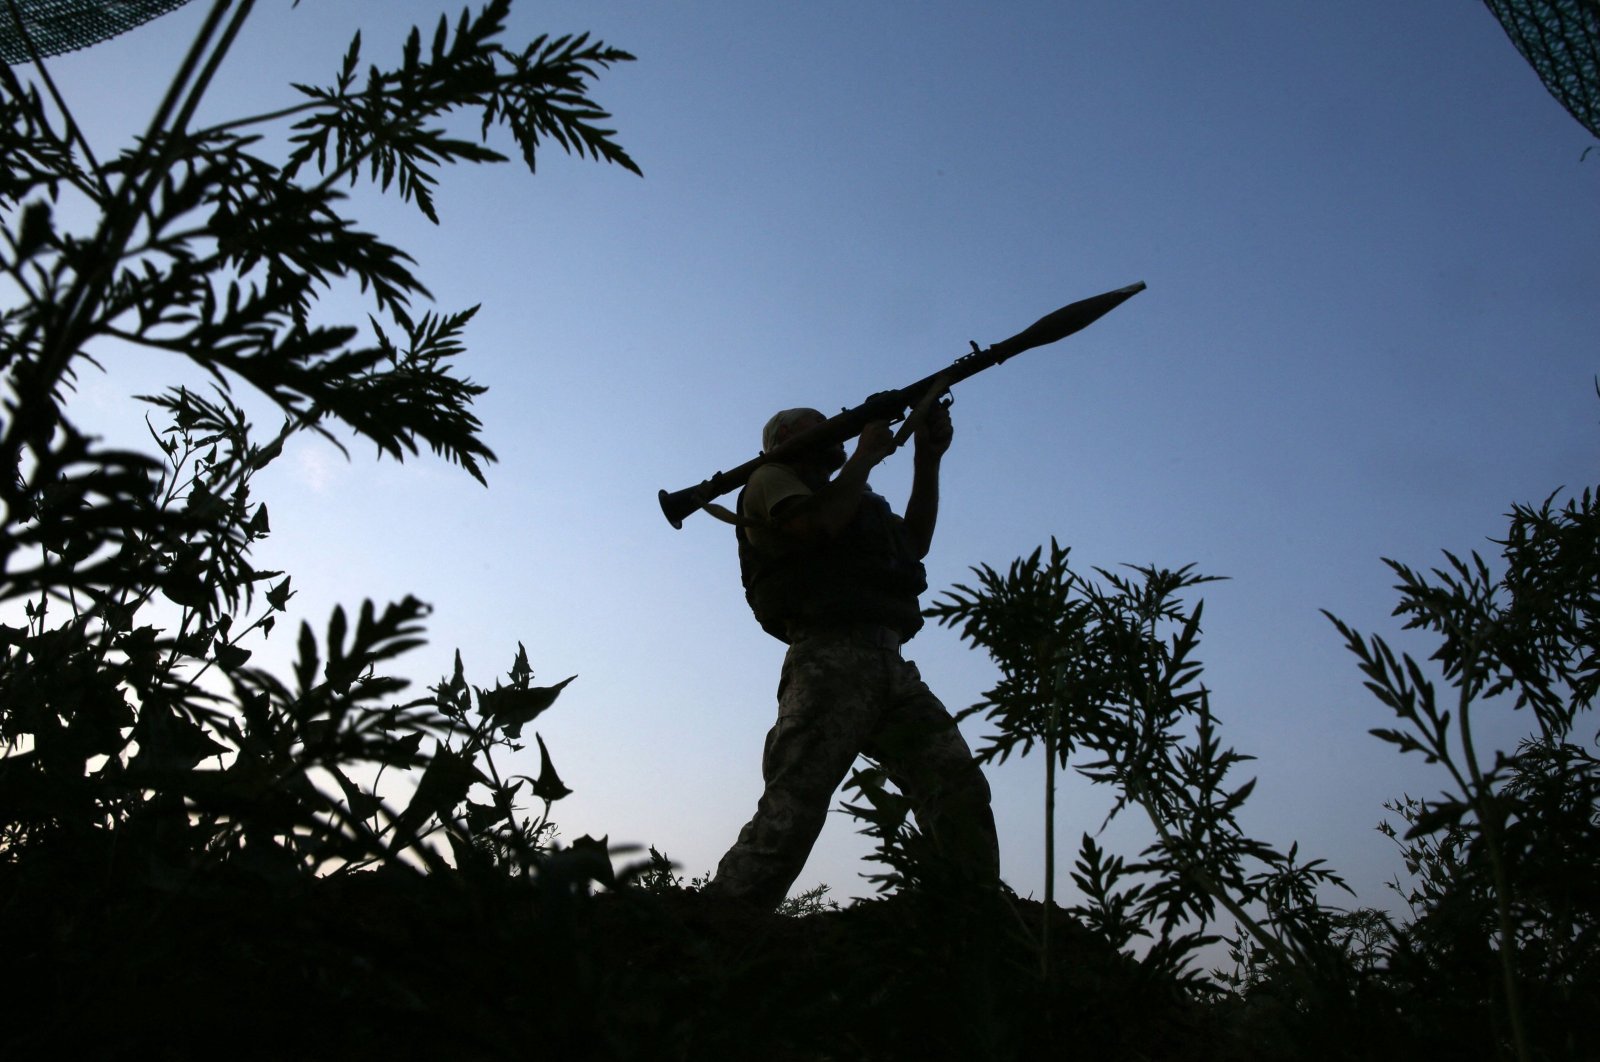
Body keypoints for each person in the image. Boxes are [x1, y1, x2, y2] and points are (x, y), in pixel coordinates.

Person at [708, 400, 1000, 910]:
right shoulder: (771, 479)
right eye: (812, 424)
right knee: (795, 799)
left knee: (955, 787)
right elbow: (812, 529)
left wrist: (926, 461)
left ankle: (969, 912)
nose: (828, 429)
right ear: (780, 441)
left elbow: (912, 544)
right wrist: (863, 456)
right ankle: (722, 918)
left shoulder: (850, 494)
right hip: (829, 655)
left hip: (890, 660)